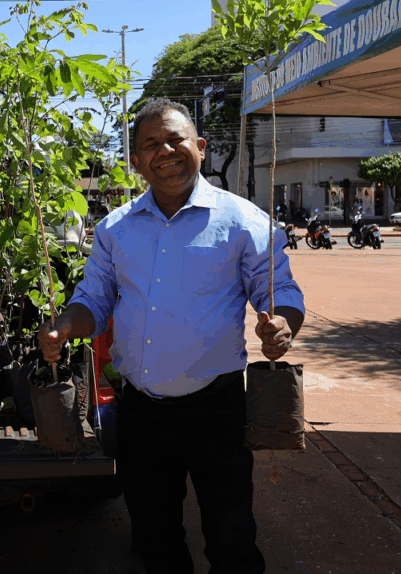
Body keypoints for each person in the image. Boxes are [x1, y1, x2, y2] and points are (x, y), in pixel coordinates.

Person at [39, 98, 304, 574]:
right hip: (140, 413)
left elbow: (281, 291)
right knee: (156, 539)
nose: (166, 150)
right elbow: (93, 300)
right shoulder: (114, 229)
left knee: (232, 541)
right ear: (136, 162)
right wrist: (64, 326)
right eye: (151, 144)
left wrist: (282, 323)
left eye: (176, 138)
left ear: (200, 147)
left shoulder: (245, 222)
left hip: (217, 412)